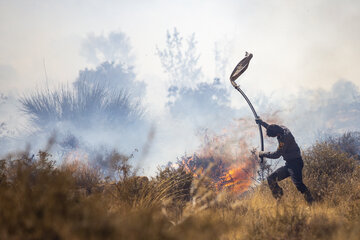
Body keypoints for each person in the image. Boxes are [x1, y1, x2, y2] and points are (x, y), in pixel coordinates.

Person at [255, 117, 314, 204]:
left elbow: (277, 155)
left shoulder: (284, 139)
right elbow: (272, 127)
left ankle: (311, 202)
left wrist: (263, 153)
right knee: (271, 179)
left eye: (275, 136)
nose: (275, 138)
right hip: (289, 164)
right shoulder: (281, 128)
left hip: (295, 164)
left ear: (277, 134)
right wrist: (262, 123)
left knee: (298, 184)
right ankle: (279, 199)